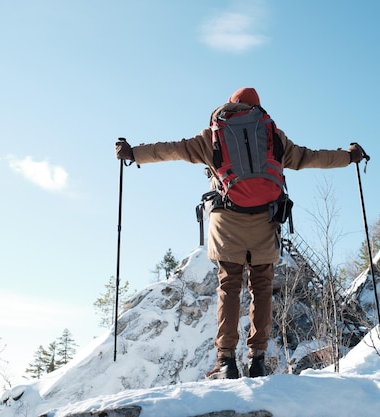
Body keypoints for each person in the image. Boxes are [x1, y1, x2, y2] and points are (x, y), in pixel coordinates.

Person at [116, 87, 365, 379]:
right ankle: (258, 360)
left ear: (231, 104)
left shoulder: (213, 135)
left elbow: (173, 148)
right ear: (257, 108)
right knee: (261, 289)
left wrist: (133, 152)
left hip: (227, 221)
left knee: (229, 287)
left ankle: (226, 362)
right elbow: (311, 157)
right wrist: (348, 157)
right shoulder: (273, 136)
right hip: (265, 221)